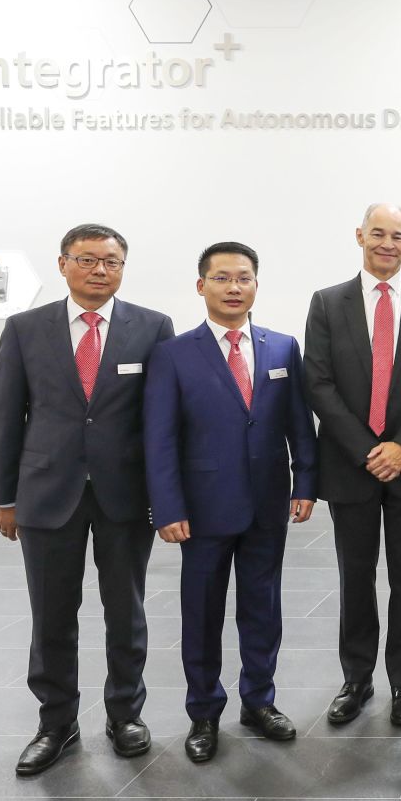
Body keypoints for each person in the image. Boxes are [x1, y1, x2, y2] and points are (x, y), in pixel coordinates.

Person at [0, 223, 174, 775]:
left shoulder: (152, 327)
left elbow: (162, 420)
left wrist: (167, 497)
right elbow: (6, 417)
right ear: (63, 263)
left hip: (126, 494)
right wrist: (5, 497)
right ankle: (56, 723)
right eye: (87, 259)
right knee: (50, 614)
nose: (99, 270)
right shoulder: (25, 328)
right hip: (47, 493)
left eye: (111, 262)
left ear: (123, 268)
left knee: (127, 611)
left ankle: (126, 715)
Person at [144, 242, 319, 762]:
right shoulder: (174, 354)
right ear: (201, 286)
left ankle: (259, 701)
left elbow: (299, 424)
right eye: (221, 278)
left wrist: (305, 483)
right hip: (201, 509)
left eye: (243, 278)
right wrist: (168, 507)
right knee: (201, 613)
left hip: (267, 503)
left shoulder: (282, 347)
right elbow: (160, 438)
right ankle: (203, 712)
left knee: (263, 608)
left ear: (256, 285)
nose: (233, 287)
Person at [304, 203, 401, 728]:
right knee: (356, 577)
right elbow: (318, 382)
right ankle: (357, 679)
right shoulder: (327, 302)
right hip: (351, 464)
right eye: (378, 233)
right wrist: (368, 448)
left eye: (398, 235)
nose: (388, 243)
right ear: (359, 235)